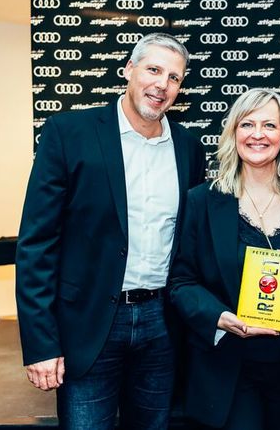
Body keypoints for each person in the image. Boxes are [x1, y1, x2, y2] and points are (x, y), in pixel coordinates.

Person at [15, 32, 206, 429]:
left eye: (174, 77)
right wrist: (40, 344)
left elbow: (191, 242)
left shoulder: (188, 147)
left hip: (162, 325)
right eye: (153, 69)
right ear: (129, 70)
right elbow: (36, 244)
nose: (162, 84)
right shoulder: (69, 133)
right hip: (88, 325)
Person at [168, 88, 280, 429]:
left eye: (269, 125)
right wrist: (220, 317)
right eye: (247, 125)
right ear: (233, 134)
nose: (258, 135)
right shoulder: (202, 200)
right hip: (227, 366)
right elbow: (182, 282)